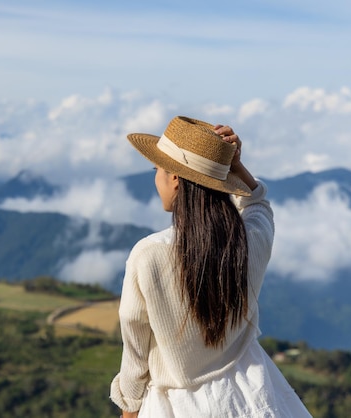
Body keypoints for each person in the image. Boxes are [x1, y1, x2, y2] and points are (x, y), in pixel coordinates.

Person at [110, 116, 311, 417]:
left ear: (175, 178)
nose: (156, 179)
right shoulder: (248, 242)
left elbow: (135, 359)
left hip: (176, 407)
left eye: (158, 170)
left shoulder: (148, 255)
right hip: (252, 398)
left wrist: (129, 410)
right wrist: (236, 166)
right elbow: (258, 205)